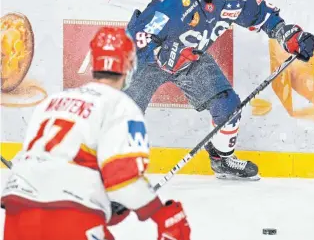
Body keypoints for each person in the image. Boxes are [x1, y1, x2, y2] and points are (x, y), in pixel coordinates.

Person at [126, 0, 314, 180]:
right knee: (126, 109)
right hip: (151, 60)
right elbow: (138, 34)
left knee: (227, 105)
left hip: (191, 59)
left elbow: (265, 17)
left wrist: (290, 36)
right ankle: (108, 163)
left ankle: (222, 159)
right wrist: (160, 54)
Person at [1, 27, 191, 240]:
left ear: (94, 63)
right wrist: (160, 213)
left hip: (16, 212)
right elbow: (123, 180)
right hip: (71, 214)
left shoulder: (50, 102)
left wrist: (102, 201)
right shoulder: (121, 106)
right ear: (129, 65)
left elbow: (30, 159)